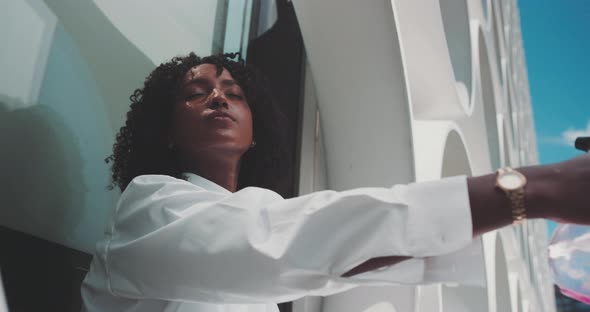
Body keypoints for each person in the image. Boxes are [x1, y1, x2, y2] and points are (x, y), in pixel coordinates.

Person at [80, 53, 590, 312]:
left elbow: (343, 252)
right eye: (196, 92)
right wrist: (533, 189)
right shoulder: (146, 210)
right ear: (165, 131)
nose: (218, 98)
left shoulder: (265, 215)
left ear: (257, 131)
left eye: (233, 92)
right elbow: (284, 245)